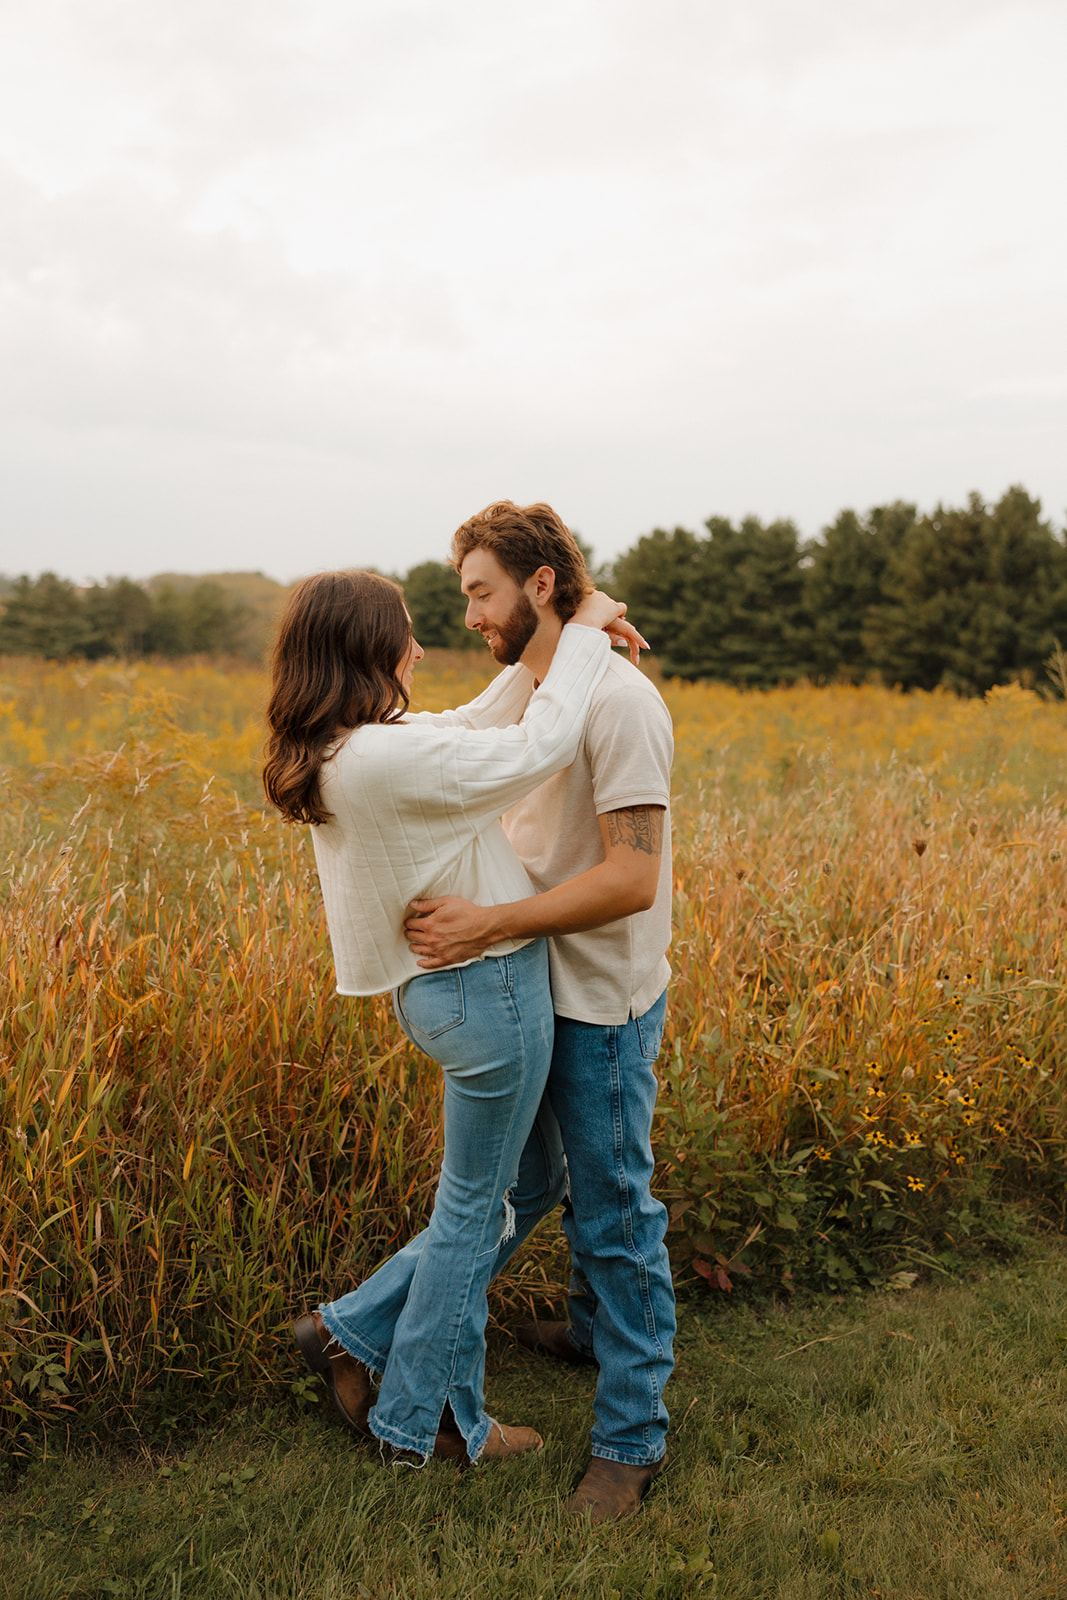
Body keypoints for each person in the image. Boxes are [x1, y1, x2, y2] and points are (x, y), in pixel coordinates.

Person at [262, 567, 633, 1467]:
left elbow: (473, 724)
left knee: (525, 1184)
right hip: (487, 995)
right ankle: (429, 1422)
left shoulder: (349, 745)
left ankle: (351, 1329)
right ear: (367, 646)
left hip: (453, 997)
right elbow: (535, 747)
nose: (421, 647)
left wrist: (559, 631)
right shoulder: (381, 757)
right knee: (479, 1212)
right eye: (405, 632)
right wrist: (582, 635)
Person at [403, 500, 675, 1522]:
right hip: (524, 983)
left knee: (612, 1213)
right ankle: (583, 1332)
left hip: (597, 998)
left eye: (480, 592)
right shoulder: (532, 679)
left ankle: (631, 1439)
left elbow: (630, 879)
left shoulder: (619, 703)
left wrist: (488, 922)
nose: (469, 615)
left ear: (538, 585)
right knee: (515, 1194)